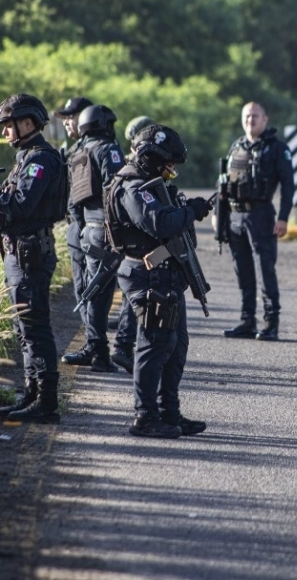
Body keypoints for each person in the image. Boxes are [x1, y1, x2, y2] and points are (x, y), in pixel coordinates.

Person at [0, 93, 64, 423]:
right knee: (23, 328)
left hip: (30, 255)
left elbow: (19, 205)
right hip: (19, 253)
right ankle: (32, 393)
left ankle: (46, 403)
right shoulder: (27, 156)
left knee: (35, 329)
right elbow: (7, 204)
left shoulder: (40, 160)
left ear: (28, 123)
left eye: (8, 125)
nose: (4, 132)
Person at [105, 124, 212, 438]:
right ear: (152, 157)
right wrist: (191, 211)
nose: (172, 169)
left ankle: (169, 413)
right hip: (147, 274)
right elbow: (158, 223)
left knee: (175, 347)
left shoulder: (150, 184)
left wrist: (189, 209)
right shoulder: (133, 185)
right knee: (154, 347)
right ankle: (145, 417)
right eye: (169, 163)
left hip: (164, 276)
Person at [221, 102, 294, 341]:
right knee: (242, 271)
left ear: (265, 119)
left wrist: (283, 217)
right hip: (234, 217)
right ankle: (247, 321)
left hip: (261, 215)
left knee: (265, 271)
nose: (250, 120)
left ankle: (271, 324)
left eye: (255, 116)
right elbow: (222, 184)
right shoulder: (236, 147)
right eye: (247, 116)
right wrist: (218, 216)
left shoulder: (277, 148)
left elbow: (288, 185)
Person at [60, 104, 125, 371]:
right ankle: (99, 353)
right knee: (100, 291)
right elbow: (118, 190)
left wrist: (83, 227)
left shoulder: (78, 152)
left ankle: (93, 347)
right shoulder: (107, 149)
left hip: (85, 229)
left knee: (91, 289)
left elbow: (73, 200)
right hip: (105, 229)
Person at [107, 115, 157, 372]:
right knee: (136, 294)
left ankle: (124, 347)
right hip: (139, 246)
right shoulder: (138, 169)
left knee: (130, 295)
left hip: (128, 244)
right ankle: (125, 347)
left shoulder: (130, 166)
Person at [53, 96, 93, 329]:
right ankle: (92, 341)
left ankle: (98, 346)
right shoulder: (74, 149)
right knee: (81, 285)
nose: (67, 122)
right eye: (65, 118)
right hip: (75, 226)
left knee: (92, 287)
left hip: (90, 226)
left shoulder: (95, 148)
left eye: (71, 117)